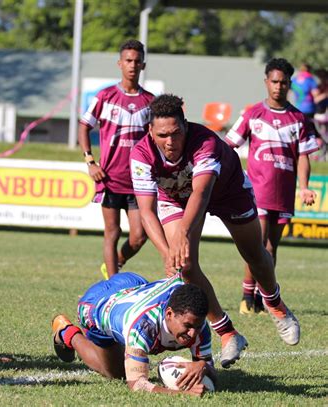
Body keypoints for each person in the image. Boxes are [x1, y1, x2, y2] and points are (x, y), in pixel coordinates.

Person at [129, 94, 301, 369]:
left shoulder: (205, 141)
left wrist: (183, 232)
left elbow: (202, 191)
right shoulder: (140, 154)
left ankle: (276, 305)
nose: (170, 143)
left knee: (254, 253)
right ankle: (228, 333)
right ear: (150, 131)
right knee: (183, 266)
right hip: (175, 198)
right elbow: (146, 211)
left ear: (186, 125)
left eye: (176, 133)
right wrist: (167, 253)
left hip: (228, 191)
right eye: (162, 135)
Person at [225, 58, 319, 315]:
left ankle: (263, 296)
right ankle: (246, 296)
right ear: (266, 82)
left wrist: (305, 186)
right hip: (257, 190)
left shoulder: (299, 118)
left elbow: (303, 156)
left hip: (284, 192)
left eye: (283, 82)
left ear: (290, 85)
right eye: (274, 81)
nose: (278, 86)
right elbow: (229, 145)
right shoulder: (253, 113)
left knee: (271, 247)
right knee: (257, 243)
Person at [52, 272, 216, 397]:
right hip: (96, 304)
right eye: (187, 326)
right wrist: (182, 394)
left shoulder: (197, 323)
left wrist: (202, 365)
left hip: (133, 284)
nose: (193, 333)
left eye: (197, 326)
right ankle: (68, 333)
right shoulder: (143, 326)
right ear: (169, 314)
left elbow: (210, 370)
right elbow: (137, 384)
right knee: (117, 374)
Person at [78, 39, 154, 280]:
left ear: (143, 65)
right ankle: (113, 286)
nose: (132, 65)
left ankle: (118, 262)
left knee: (139, 236)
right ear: (119, 63)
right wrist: (90, 162)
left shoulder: (150, 102)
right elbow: (83, 126)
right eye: (128, 60)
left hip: (138, 180)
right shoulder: (105, 96)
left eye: (137, 61)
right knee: (112, 232)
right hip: (110, 177)